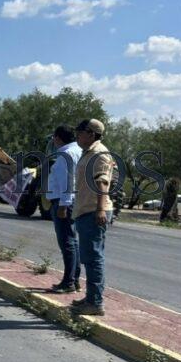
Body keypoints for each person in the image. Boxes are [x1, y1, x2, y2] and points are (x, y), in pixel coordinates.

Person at [70, 119, 117, 316]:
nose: (77, 135)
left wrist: (100, 209)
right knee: (90, 258)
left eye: (80, 132)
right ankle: (91, 297)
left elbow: (103, 183)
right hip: (85, 210)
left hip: (93, 211)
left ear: (91, 133)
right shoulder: (88, 152)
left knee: (93, 258)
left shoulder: (99, 154)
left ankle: (95, 302)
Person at [46, 125, 83, 293]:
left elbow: (67, 182)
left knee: (66, 241)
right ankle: (74, 279)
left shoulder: (65, 155)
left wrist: (63, 205)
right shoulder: (79, 151)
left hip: (64, 202)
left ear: (58, 138)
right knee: (73, 241)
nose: (53, 140)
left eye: (54, 137)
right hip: (75, 200)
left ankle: (68, 282)